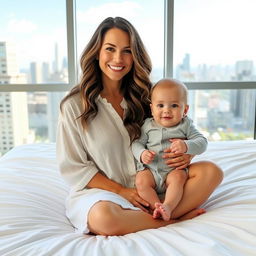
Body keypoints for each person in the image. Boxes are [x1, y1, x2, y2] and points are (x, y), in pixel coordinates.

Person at [56, 17, 223, 236]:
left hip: (154, 184)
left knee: (211, 172)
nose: (118, 58)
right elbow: (74, 166)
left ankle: (160, 210)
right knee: (103, 218)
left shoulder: (147, 96)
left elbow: (177, 128)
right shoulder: (75, 105)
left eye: (127, 50)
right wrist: (122, 191)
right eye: (110, 49)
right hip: (104, 194)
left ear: (135, 55)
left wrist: (185, 154)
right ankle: (172, 220)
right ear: (96, 52)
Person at [132, 78, 208, 221]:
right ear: (152, 109)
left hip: (173, 171)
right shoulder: (148, 125)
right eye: (160, 105)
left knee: (178, 178)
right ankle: (157, 208)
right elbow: (136, 143)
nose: (166, 110)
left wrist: (186, 146)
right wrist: (142, 154)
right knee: (141, 181)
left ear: (185, 109)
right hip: (152, 170)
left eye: (174, 105)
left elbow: (202, 142)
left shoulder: (186, 125)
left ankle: (168, 206)